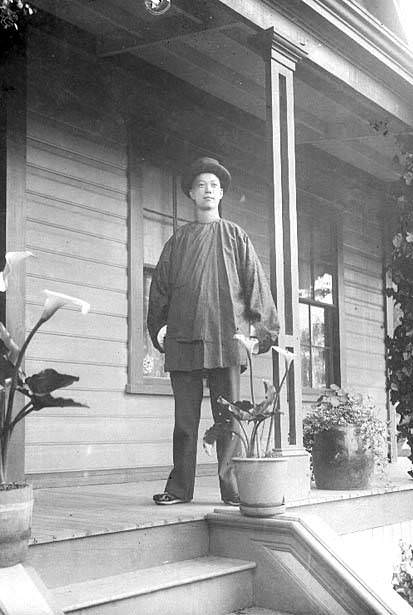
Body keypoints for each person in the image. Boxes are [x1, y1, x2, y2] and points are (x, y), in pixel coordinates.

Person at [147, 157, 279, 505]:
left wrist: (261, 331)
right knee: (185, 421)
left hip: (225, 337)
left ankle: (232, 488)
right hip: (184, 336)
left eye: (214, 186)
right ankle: (179, 489)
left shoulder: (235, 236)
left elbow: (255, 283)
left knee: (230, 419)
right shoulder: (178, 241)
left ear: (221, 194)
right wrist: (159, 326)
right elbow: (160, 287)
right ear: (191, 193)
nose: (208, 190)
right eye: (202, 185)